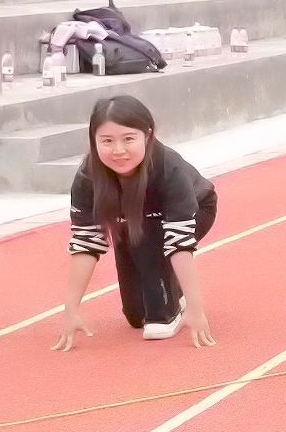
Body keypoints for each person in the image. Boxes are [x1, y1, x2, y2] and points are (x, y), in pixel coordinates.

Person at [57, 95, 220, 350]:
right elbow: (87, 241)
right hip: (132, 220)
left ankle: (169, 312)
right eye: (107, 141)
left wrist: (195, 307)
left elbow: (179, 242)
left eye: (128, 139)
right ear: (93, 140)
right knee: (136, 315)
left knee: (156, 315)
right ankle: (170, 294)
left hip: (195, 210)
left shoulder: (168, 168)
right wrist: (71, 308)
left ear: (148, 135)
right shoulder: (88, 176)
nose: (118, 150)